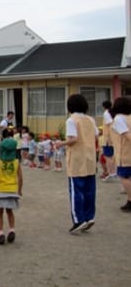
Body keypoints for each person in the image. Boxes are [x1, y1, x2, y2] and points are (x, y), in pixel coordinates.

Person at [55, 94, 98, 234]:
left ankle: (79, 220)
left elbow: (73, 139)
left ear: (70, 106)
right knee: (89, 190)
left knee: (76, 190)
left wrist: (60, 143)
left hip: (77, 158)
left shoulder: (71, 120)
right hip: (90, 157)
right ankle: (89, 216)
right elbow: (96, 134)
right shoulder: (90, 119)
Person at [110, 96, 131, 212]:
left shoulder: (119, 119)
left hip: (125, 155)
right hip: (124, 153)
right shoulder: (129, 117)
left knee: (124, 177)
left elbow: (126, 135)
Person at [101, 100, 117, 181]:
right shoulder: (112, 113)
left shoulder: (106, 114)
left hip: (108, 139)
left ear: (104, 106)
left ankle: (111, 173)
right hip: (112, 138)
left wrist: (109, 138)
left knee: (107, 156)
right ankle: (113, 172)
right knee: (111, 156)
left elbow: (110, 125)